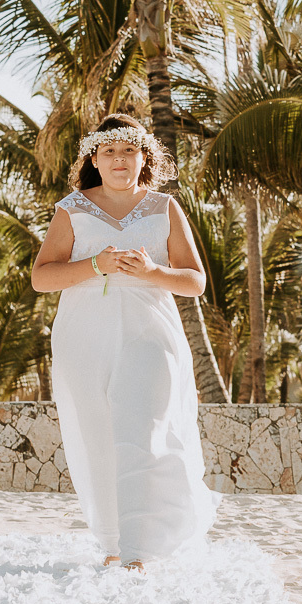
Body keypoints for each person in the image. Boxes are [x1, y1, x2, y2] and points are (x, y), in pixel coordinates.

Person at [31, 114, 221, 573]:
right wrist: (96, 265)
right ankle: (113, 541)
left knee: (142, 431)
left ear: (145, 157)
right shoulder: (70, 209)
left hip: (149, 330)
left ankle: (139, 548)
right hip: (83, 335)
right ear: (94, 158)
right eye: (110, 151)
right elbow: (41, 277)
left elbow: (195, 280)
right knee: (97, 436)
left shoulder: (164, 208)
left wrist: (152, 273)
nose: (119, 160)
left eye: (128, 151)